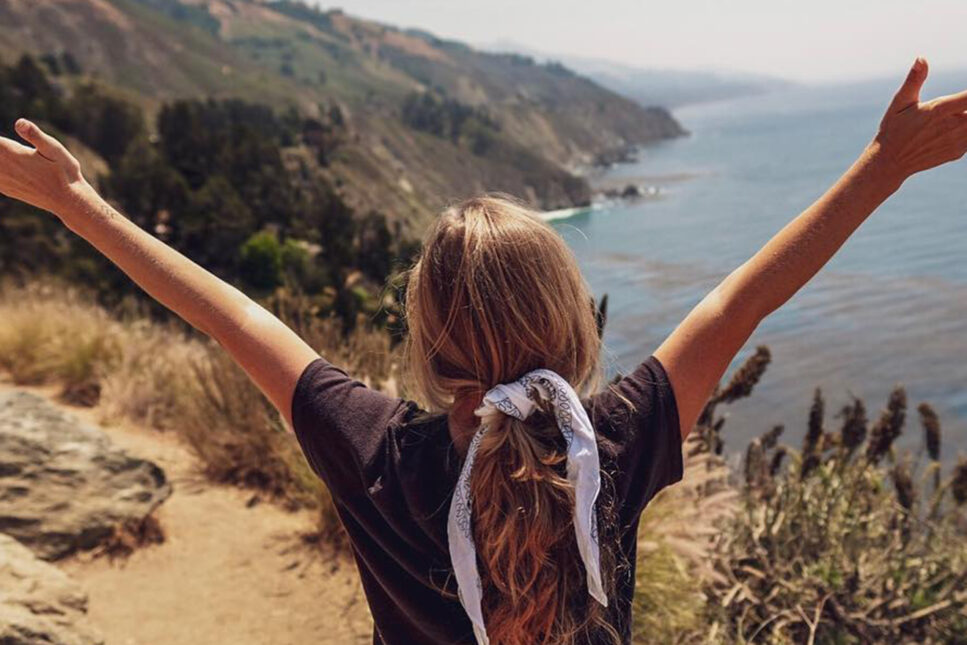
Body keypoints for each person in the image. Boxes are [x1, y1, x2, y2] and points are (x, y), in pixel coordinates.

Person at [0, 57, 965, 644]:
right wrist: (882, 168)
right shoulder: (610, 449)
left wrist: (77, 206)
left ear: (422, 331)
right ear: (573, 323)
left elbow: (231, 317)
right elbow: (740, 302)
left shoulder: (371, 448)